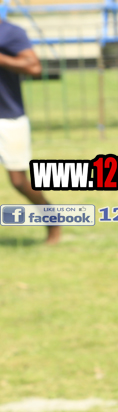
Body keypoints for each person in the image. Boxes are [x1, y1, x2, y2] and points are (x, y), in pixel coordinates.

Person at [0, 16, 61, 244]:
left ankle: (52, 221)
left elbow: (34, 67)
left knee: (18, 181)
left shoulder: (11, 33)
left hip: (8, 117)